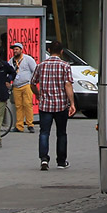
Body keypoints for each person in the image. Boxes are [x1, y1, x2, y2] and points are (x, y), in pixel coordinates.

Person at [31, 41, 76, 170]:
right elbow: (68, 85)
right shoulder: (65, 66)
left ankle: (44, 159)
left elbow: (32, 83)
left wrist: (39, 95)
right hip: (61, 105)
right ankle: (61, 161)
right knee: (61, 133)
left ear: (49, 50)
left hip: (45, 105)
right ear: (62, 51)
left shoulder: (41, 65)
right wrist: (72, 103)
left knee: (44, 133)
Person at [11, 43, 38, 133]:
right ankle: (19, 126)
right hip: (16, 86)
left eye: (17, 49)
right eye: (14, 49)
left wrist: (33, 82)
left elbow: (35, 70)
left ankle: (30, 124)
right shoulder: (11, 61)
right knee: (18, 106)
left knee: (28, 104)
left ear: (21, 50)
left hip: (26, 84)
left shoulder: (28, 59)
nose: (15, 51)